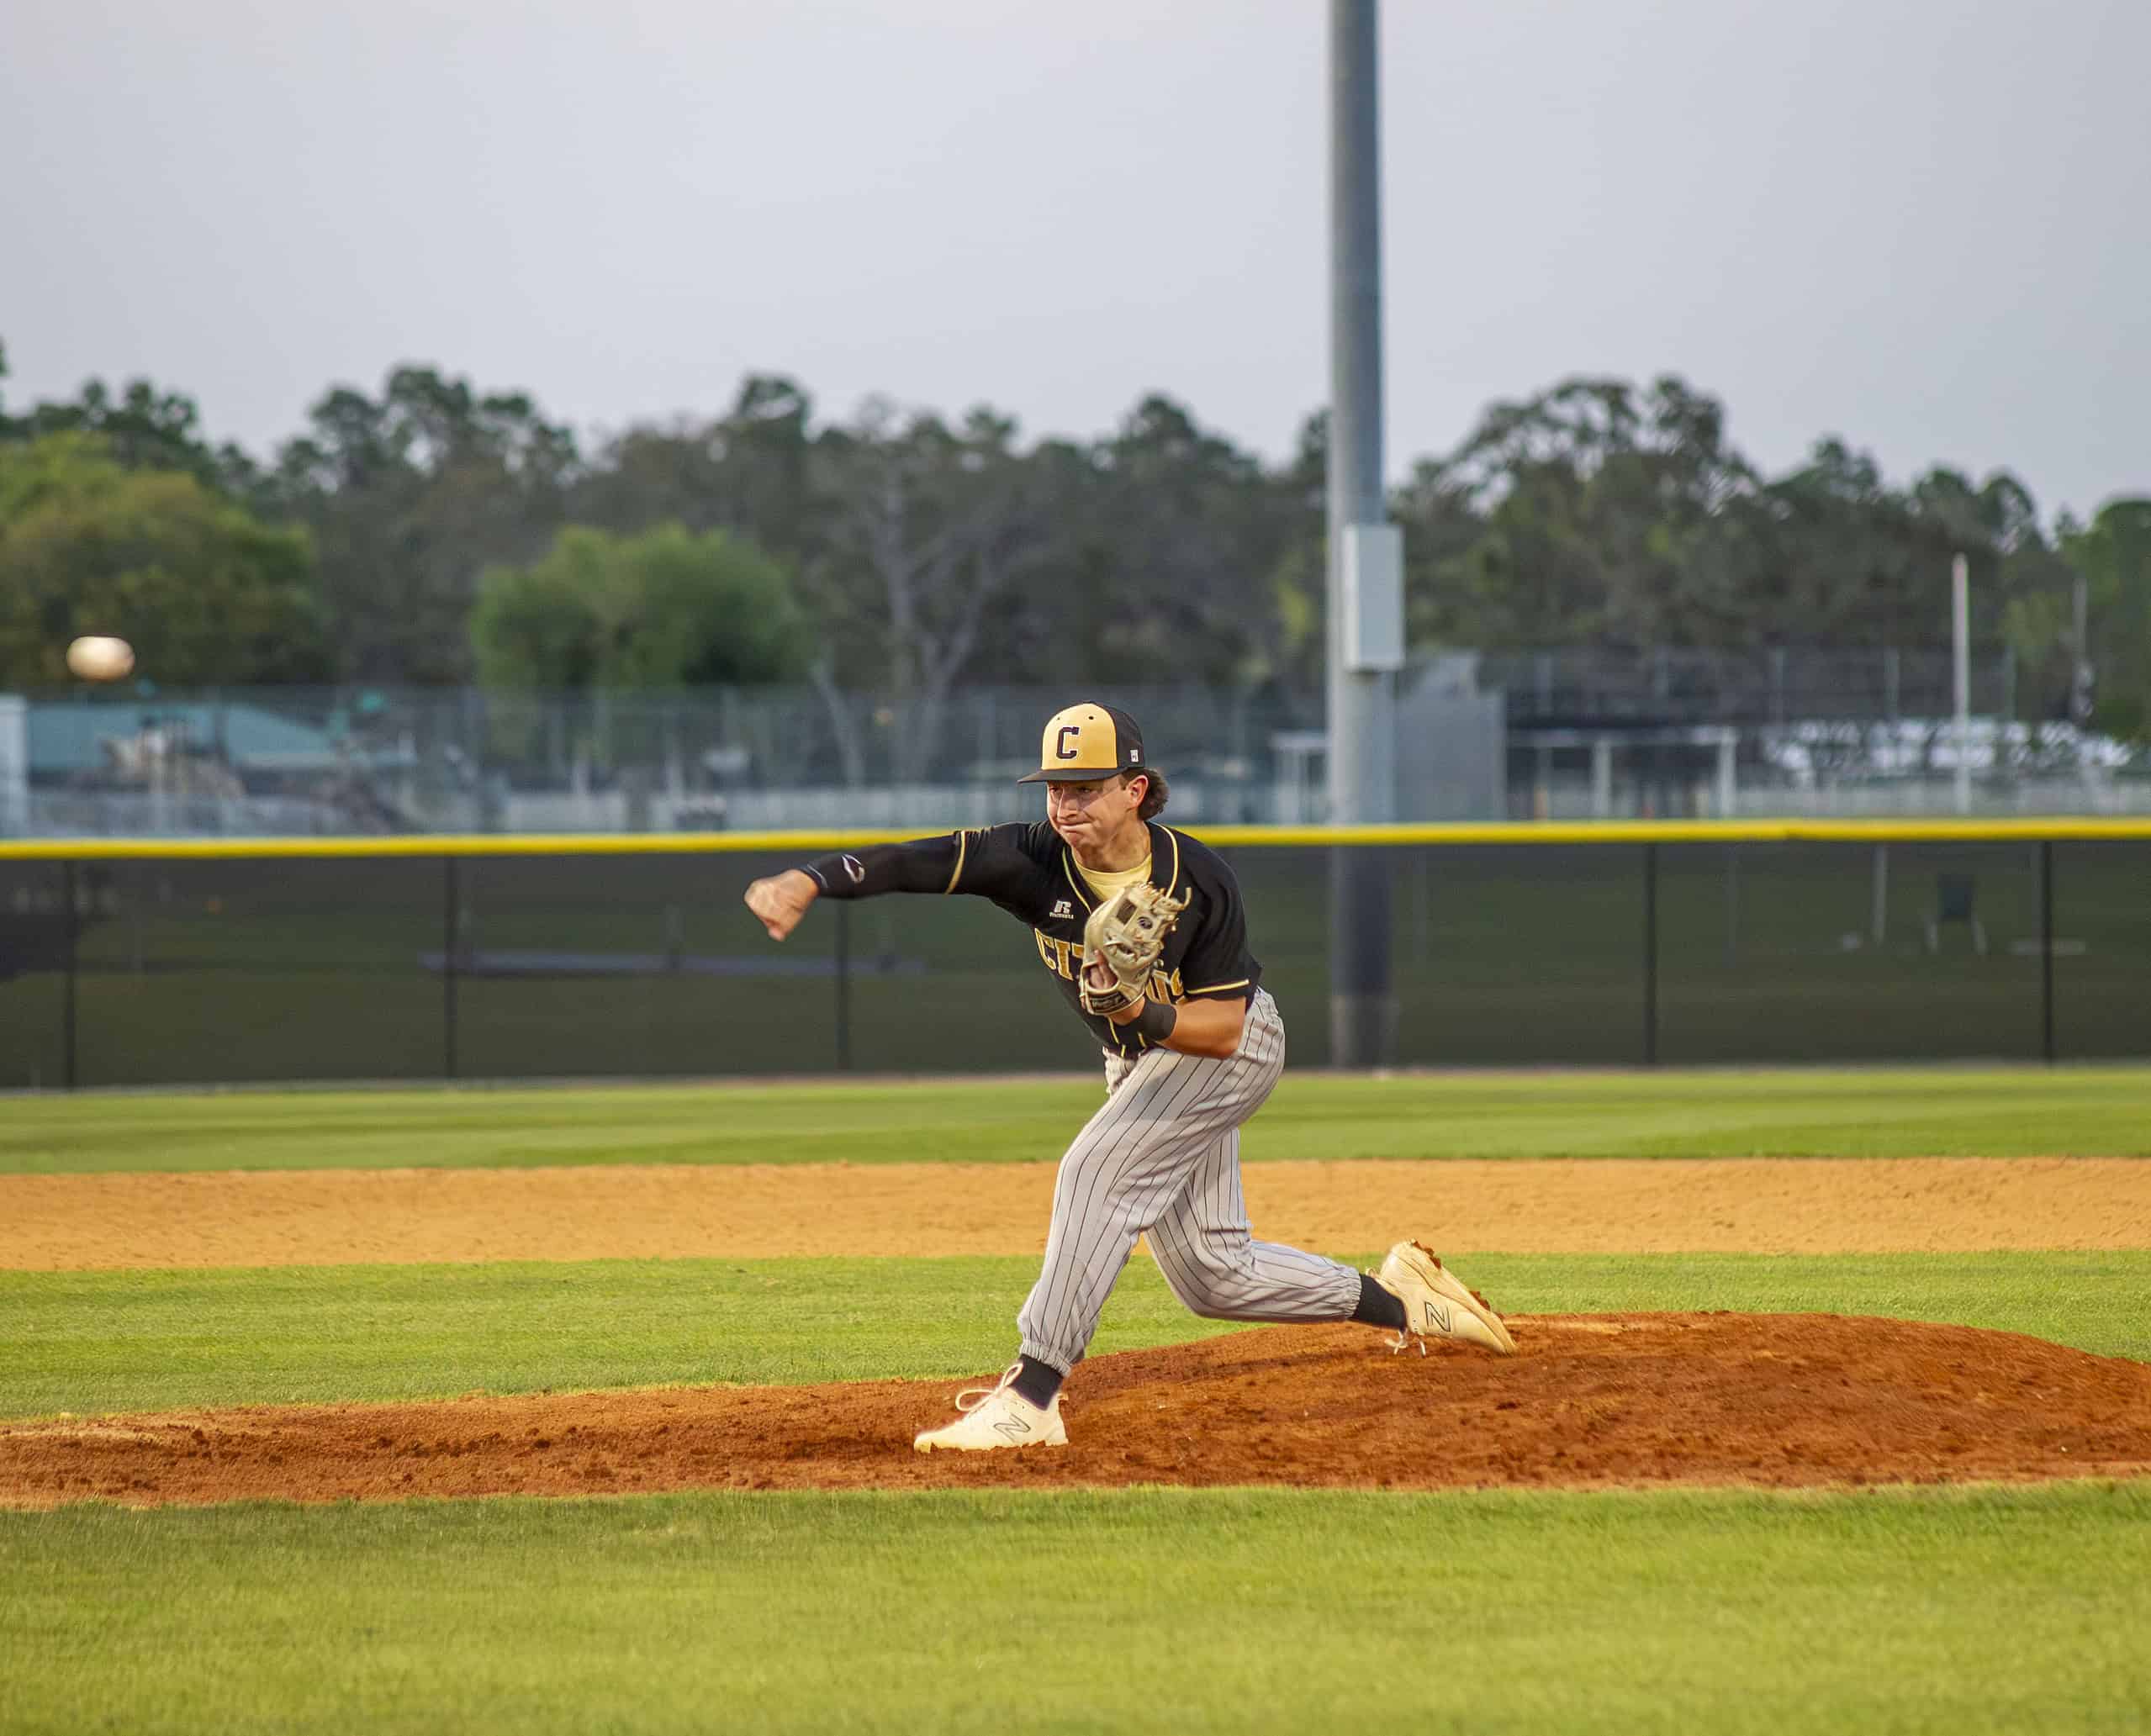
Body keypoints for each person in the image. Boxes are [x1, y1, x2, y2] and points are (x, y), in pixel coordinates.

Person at [743, 701, 1514, 1453]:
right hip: (1145, 1061)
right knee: (1213, 1275)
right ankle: (1405, 1299)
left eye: (1085, 787)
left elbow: (1222, 1029)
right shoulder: (1032, 857)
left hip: (1229, 1048)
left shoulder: (1198, 879)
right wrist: (810, 880)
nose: (1064, 804)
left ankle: (1031, 1395)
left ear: (1133, 789)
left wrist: (1140, 1012)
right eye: (1054, 787)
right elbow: (919, 861)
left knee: (1094, 1172)